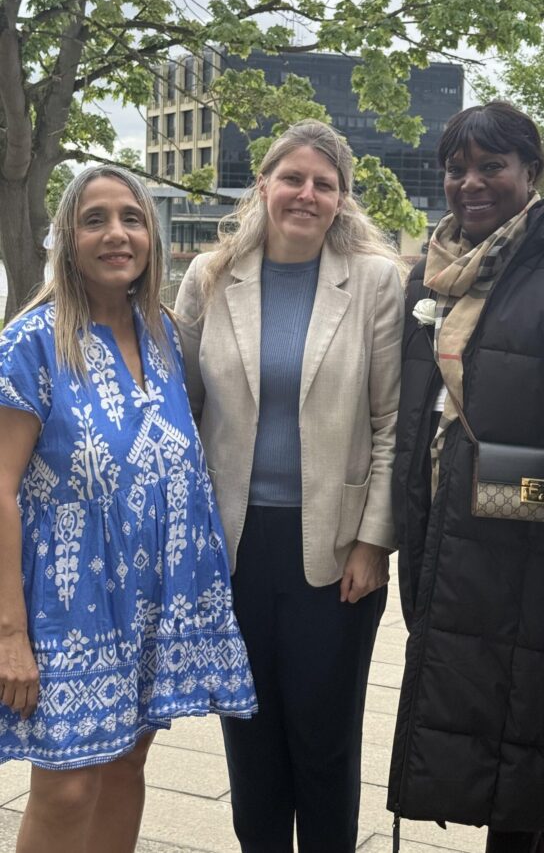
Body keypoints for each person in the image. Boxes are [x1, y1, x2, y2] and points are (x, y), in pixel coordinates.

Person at [387, 102, 544, 852]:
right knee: (462, 728)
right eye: (457, 168)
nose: (471, 182)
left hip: (538, 552)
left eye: (491, 166)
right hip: (443, 539)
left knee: (525, 739)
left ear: (531, 171)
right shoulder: (430, 274)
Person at [0, 166, 256, 853]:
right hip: (64, 606)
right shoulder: (32, 342)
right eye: (95, 219)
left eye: (132, 218)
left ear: (152, 237)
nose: (116, 234)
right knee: (67, 787)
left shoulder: (163, 335)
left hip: (146, 605)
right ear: (67, 239)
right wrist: (8, 633)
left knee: (126, 763)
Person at [174, 119, 404, 853]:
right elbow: (182, 411)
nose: (307, 194)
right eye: (293, 178)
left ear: (341, 198)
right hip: (234, 547)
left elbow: (391, 421)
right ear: (264, 185)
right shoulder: (210, 277)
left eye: (324, 184)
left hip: (334, 550)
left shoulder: (375, 281)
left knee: (325, 740)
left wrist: (373, 540)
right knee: (248, 735)